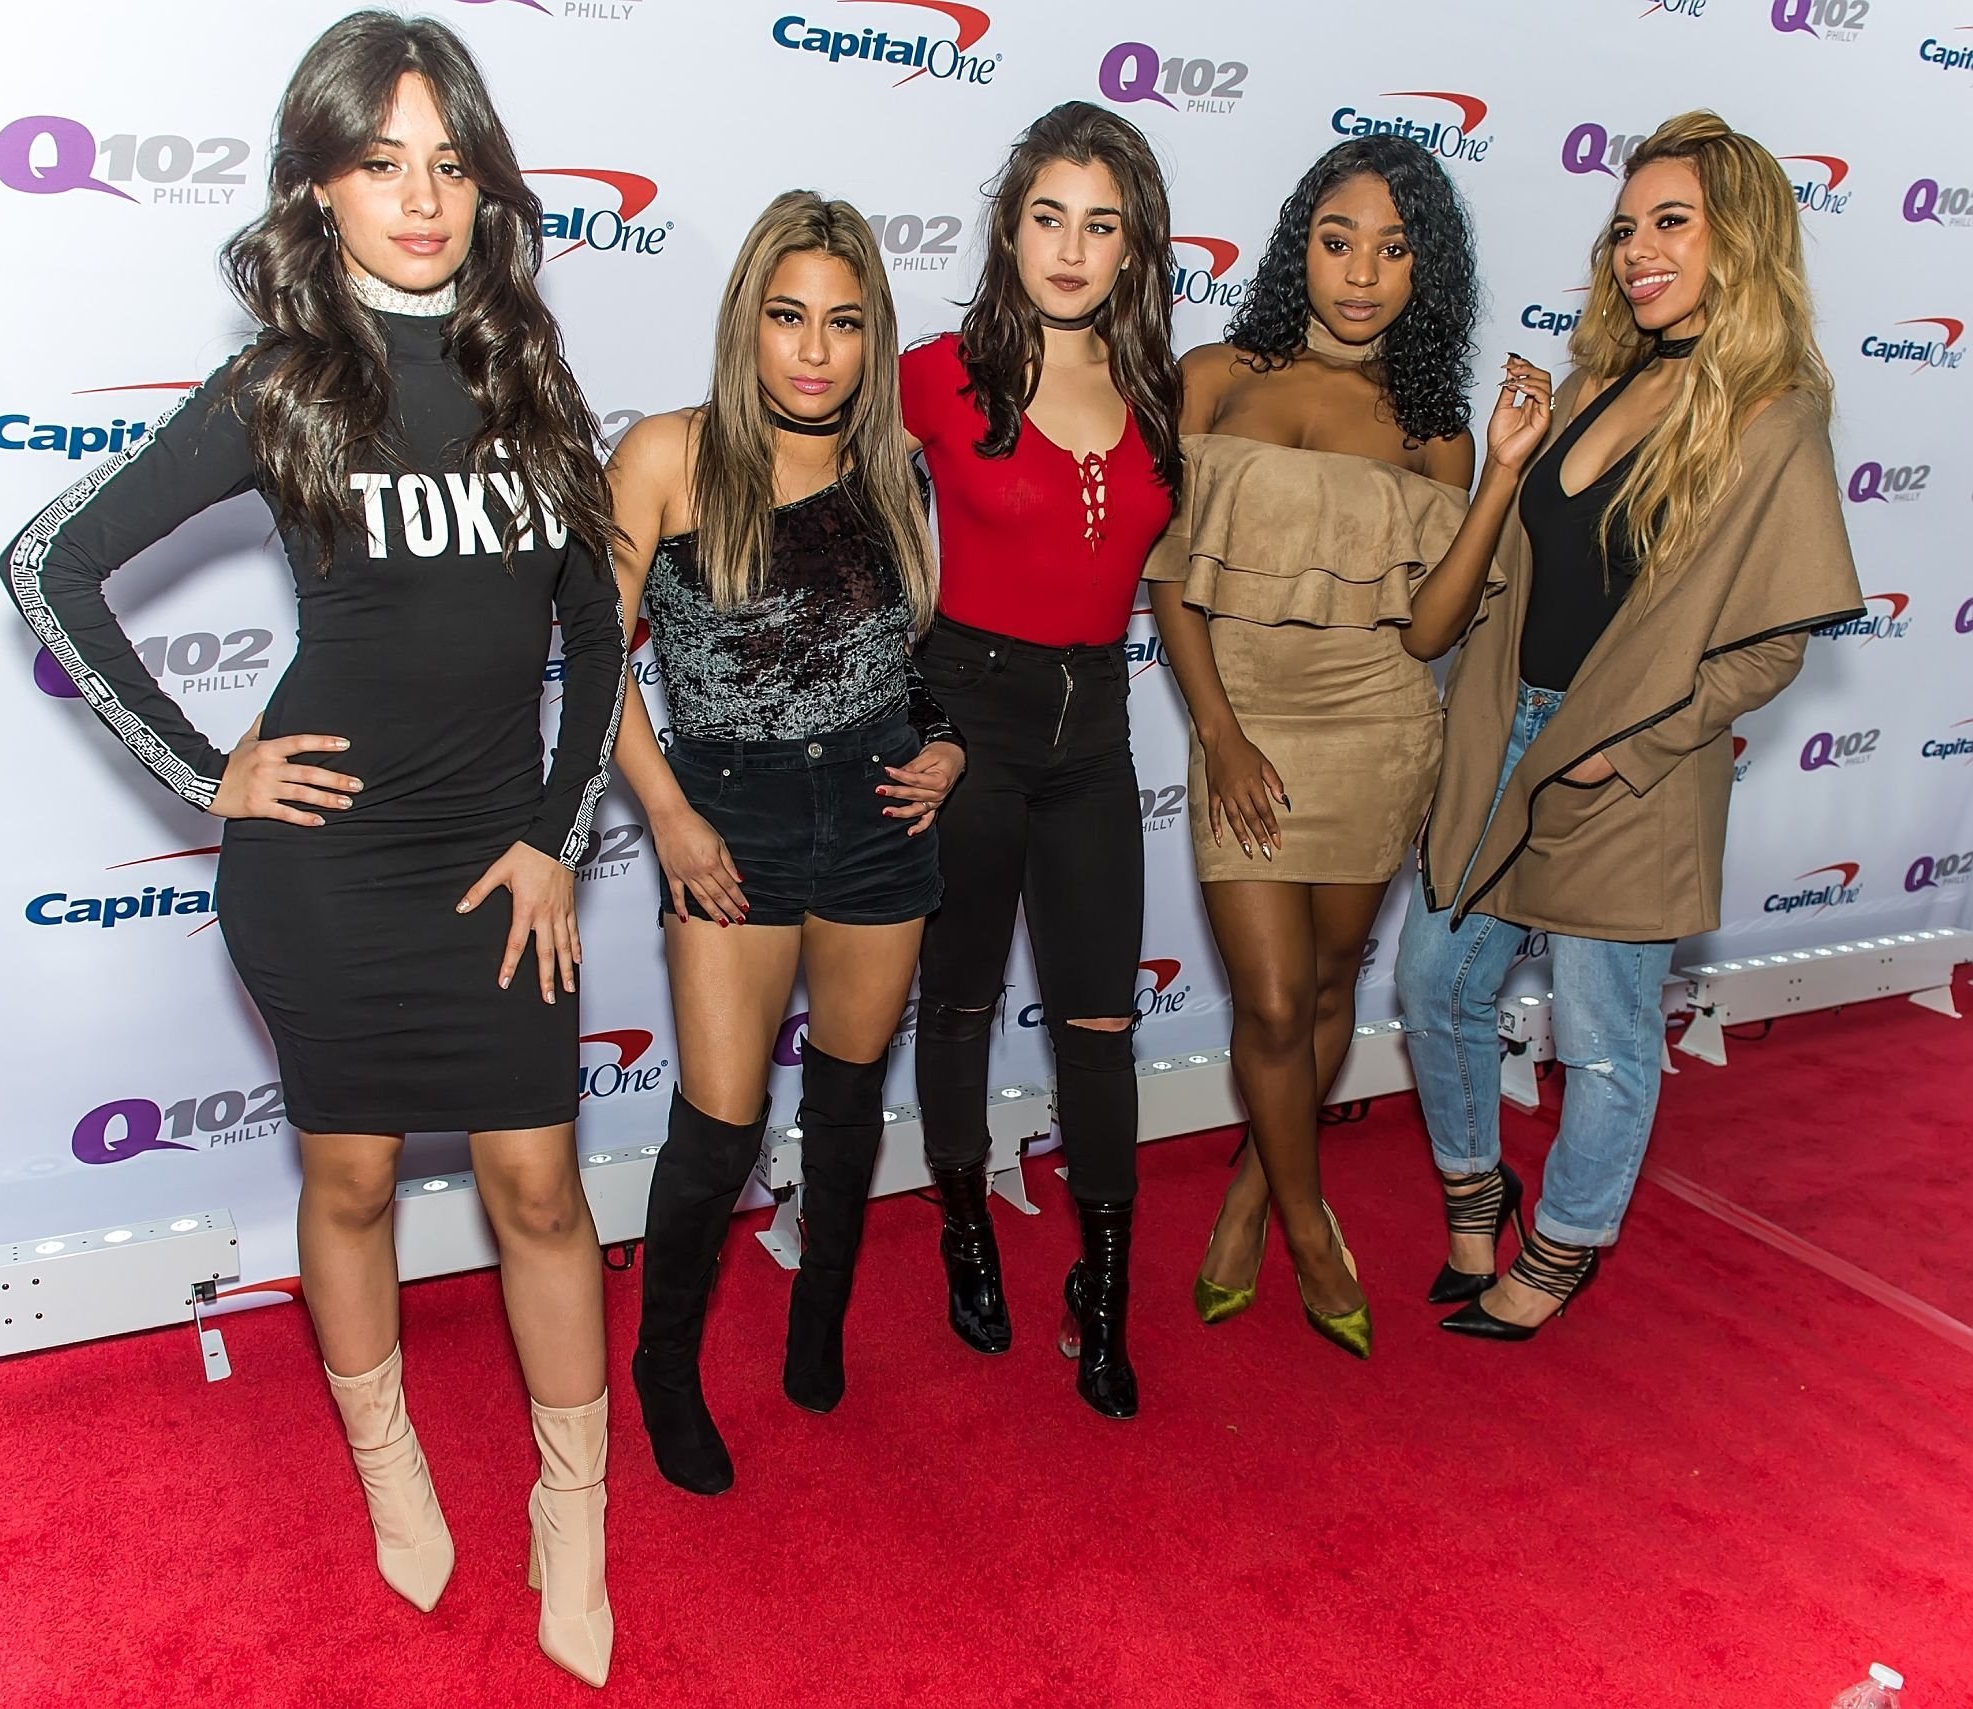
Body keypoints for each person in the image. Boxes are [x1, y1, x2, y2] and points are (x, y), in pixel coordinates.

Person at [0, 14, 622, 1684]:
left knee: (541, 1187)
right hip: (331, 871)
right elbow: (50, 561)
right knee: (347, 1180)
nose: (420, 199)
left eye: (450, 164)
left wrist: (555, 838)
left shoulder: (531, 379)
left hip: (499, 864)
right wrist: (204, 773)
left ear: (486, 187)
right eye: (380, 162)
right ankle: (388, 1462)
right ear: (319, 187)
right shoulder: (284, 386)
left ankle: (573, 1506)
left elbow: (596, 633)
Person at [1397, 111, 1864, 1339]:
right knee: (1432, 979)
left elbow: (1770, 643)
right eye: (1622, 228)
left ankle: (1563, 1242)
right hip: (1503, 734)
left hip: (1625, 769)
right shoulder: (1593, 381)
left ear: (1739, 238)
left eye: (1670, 222)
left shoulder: (1769, 417)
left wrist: (1635, 744)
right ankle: (1472, 1192)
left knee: (1602, 1037)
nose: (1636, 250)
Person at [1148, 135, 1548, 1358]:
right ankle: (1307, 1223)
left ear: (1425, 270)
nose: (1360, 273)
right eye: (1336, 242)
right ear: (1298, 249)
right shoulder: (1212, 377)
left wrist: (1498, 478)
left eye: (1391, 248)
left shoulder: (1432, 429)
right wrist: (1219, 736)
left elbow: (1428, 629)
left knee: (1326, 986)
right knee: (1271, 1000)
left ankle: (1248, 1193)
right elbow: (1169, 574)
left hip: (1375, 730)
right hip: (1241, 727)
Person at [609, 192, 961, 1495]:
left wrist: (947, 744)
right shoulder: (667, 454)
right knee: (719, 1126)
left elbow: (906, 656)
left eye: (845, 323)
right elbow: (592, 657)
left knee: (850, 1103)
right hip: (728, 821)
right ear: (745, 322)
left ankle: (819, 1319)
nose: (815, 350)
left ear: (874, 336)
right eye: (788, 316)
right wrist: (667, 811)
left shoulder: (896, 464)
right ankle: (664, 1364)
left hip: (875, 814)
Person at [902, 102, 1181, 1419]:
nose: (1070, 250)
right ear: (1010, 229)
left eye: (1100, 224)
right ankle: (964, 1229)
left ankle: (1105, 1294)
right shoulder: (933, 375)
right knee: (956, 1004)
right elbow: (823, 511)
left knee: (1102, 1024)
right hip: (969, 725)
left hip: (1095, 737)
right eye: (1048, 217)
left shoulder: (1162, 392)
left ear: (1134, 247)